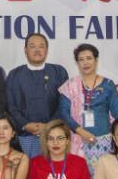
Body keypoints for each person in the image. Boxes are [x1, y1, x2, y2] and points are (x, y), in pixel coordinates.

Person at [5, 33, 70, 164]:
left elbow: (64, 104)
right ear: (25, 50)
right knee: (26, 173)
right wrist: (25, 125)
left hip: (53, 136)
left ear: (47, 50)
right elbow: (10, 106)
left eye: (41, 46)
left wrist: (48, 126)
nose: (37, 50)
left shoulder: (59, 72)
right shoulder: (14, 75)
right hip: (24, 136)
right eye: (32, 46)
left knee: (51, 172)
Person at [58, 43, 118, 168]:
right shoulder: (70, 85)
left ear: (96, 60)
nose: (85, 63)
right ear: (77, 63)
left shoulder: (108, 84)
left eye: (89, 58)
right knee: (80, 177)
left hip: (104, 142)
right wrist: (81, 131)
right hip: (78, 141)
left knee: (104, 177)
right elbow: (63, 112)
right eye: (81, 59)